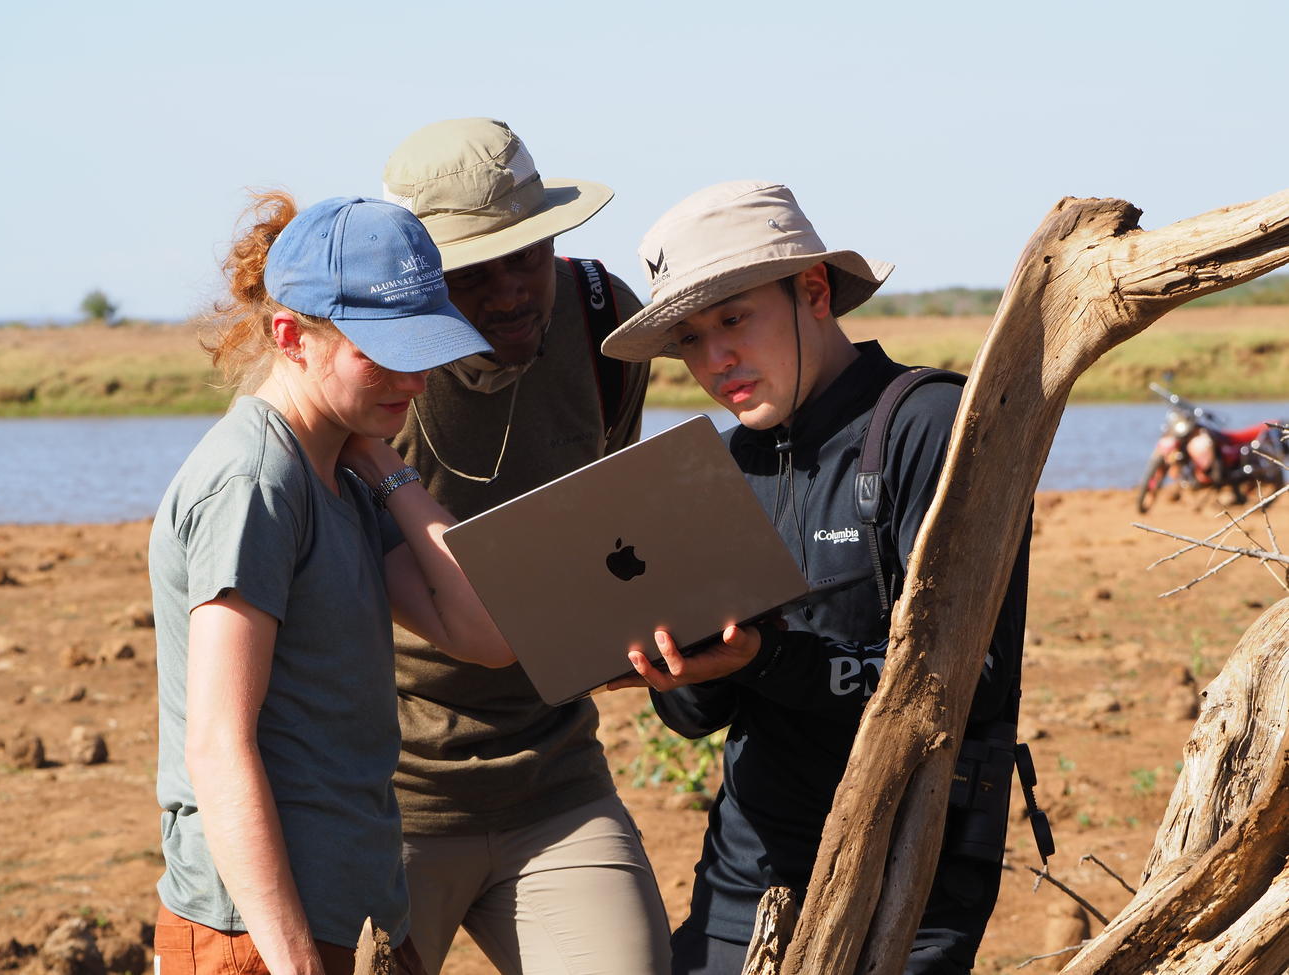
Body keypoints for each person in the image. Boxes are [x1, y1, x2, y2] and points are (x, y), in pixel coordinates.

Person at [602, 181, 1029, 975]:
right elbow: (702, 715)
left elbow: (965, 679)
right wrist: (674, 667)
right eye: (690, 338)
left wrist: (766, 657)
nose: (714, 357)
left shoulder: (931, 427)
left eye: (734, 317)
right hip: (744, 880)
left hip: (908, 877)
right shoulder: (721, 466)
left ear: (815, 291)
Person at [149, 193, 515, 975]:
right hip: (262, 933)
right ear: (292, 336)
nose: (413, 381)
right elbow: (217, 744)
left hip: (359, 910)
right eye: (380, 354)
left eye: (420, 350)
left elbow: (486, 633)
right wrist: (294, 962)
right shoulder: (255, 482)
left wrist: (389, 469)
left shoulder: (344, 475)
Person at [377, 118, 669, 973]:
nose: (510, 291)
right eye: (472, 270)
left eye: (528, 255)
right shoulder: (369, 370)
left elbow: (601, 527)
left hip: (554, 778)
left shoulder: (602, 319)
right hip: (384, 798)